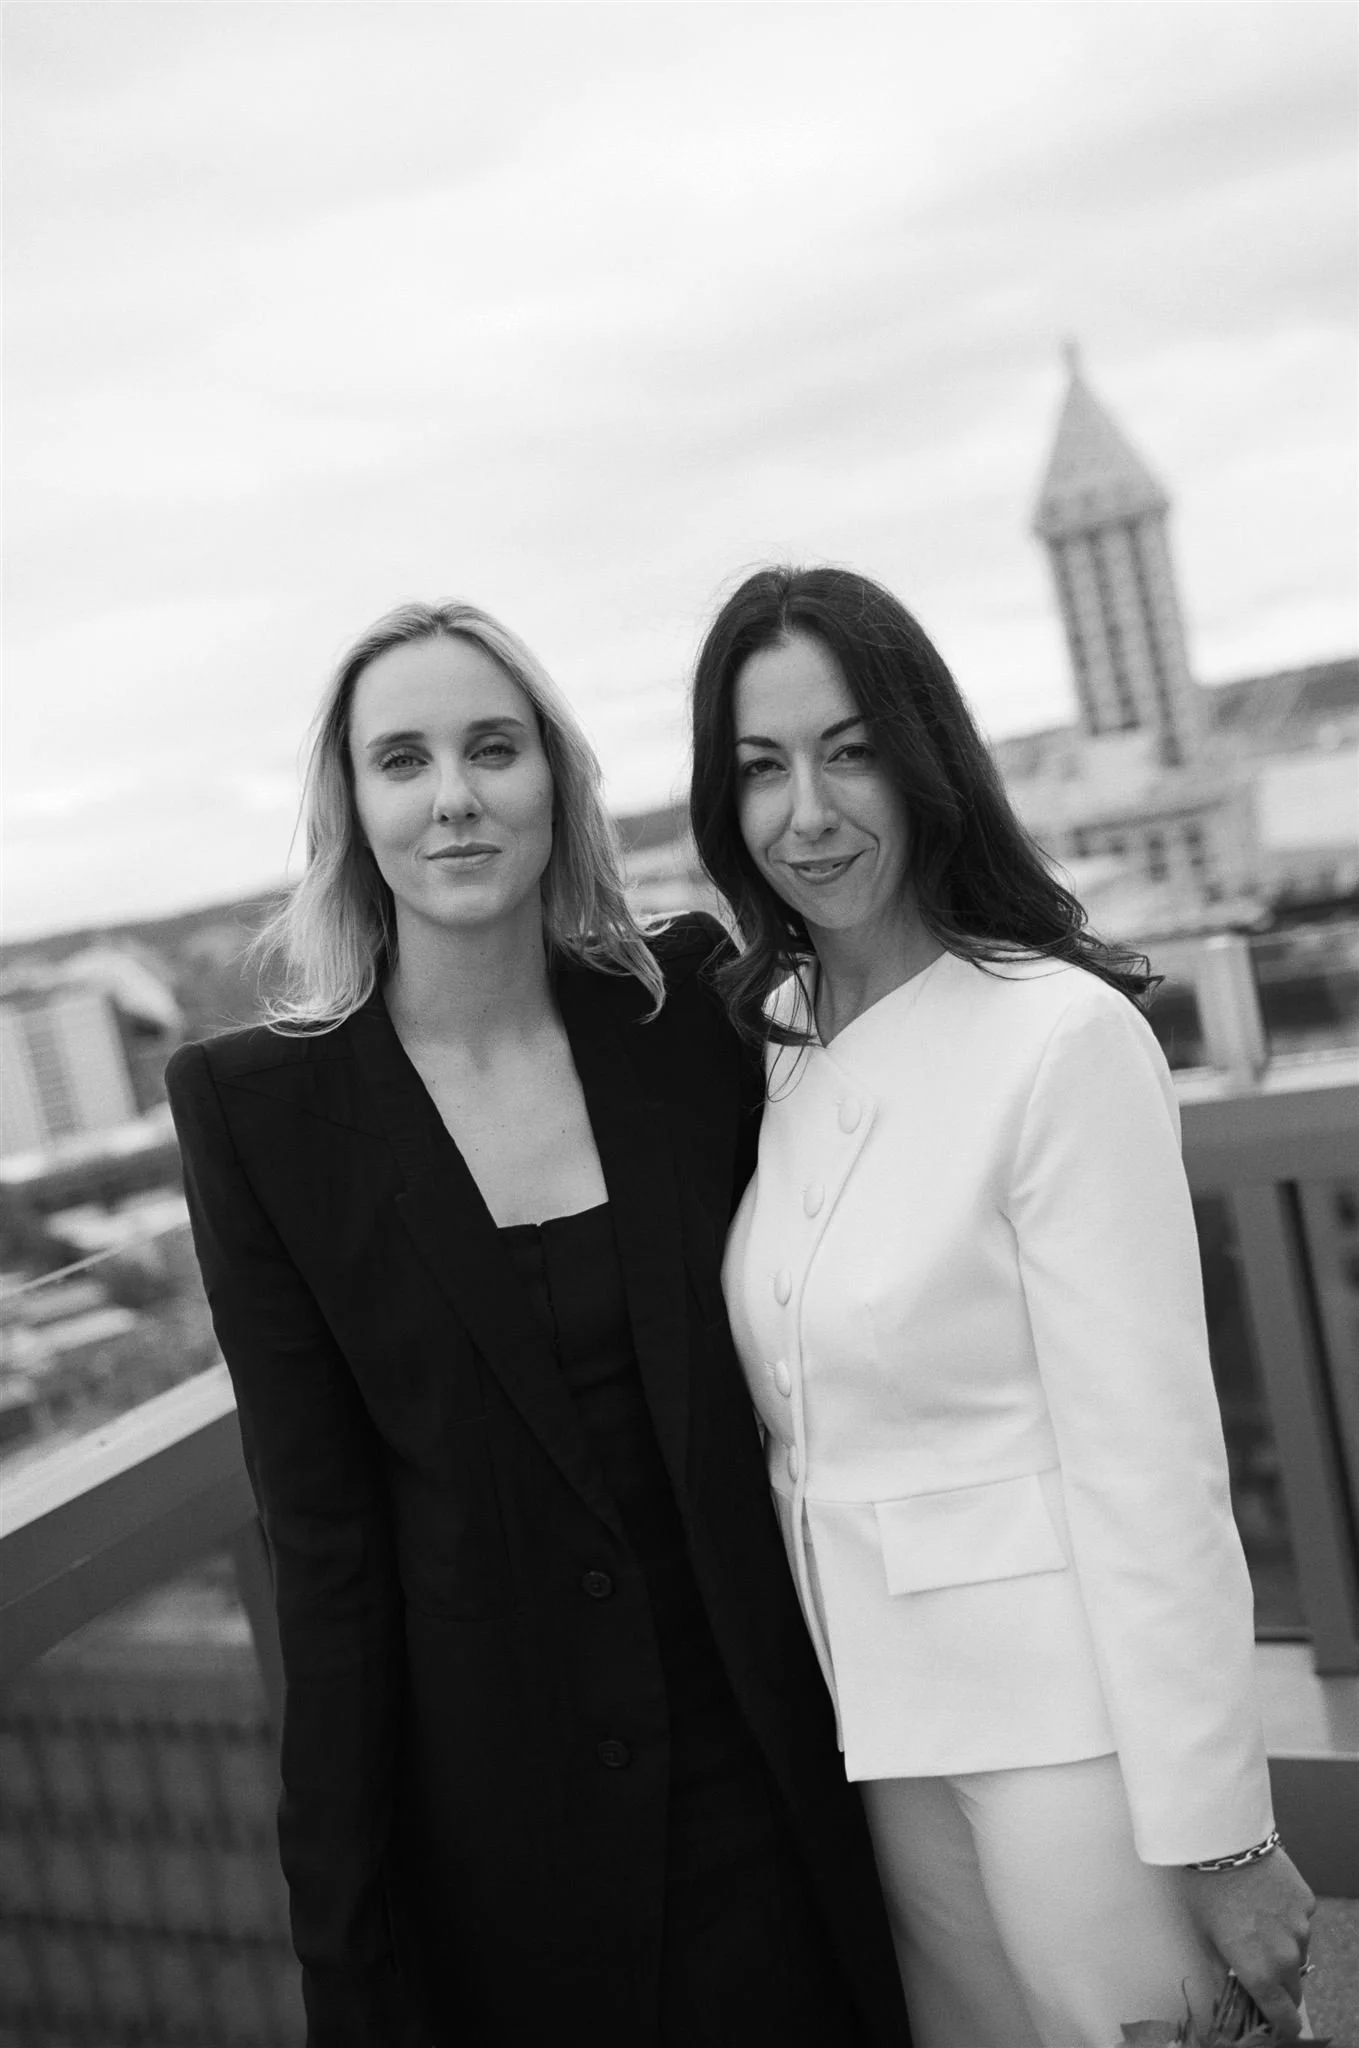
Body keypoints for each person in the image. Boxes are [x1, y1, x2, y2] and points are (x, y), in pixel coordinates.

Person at [166, 601, 912, 2048]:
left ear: (554, 783)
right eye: (403, 760)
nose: (454, 796)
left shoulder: (683, 1012)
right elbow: (323, 1552)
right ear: (353, 810)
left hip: (780, 1778)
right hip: (510, 1858)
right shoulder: (260, 1112)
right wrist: (347, 1953)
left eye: (492, 748)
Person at [687, 565, 1318, 2048]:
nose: (809, 813)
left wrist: (1218, 1832)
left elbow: (1150, 1465)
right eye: (761, 769)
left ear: (922, 757)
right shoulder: (772, 1053)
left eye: (847, 753)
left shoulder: (1055, 1034)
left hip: (1068, 1753)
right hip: (873, 1743)